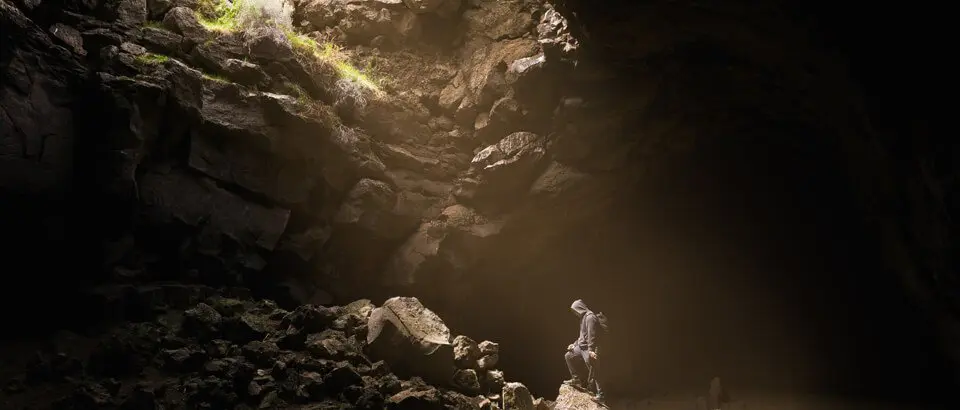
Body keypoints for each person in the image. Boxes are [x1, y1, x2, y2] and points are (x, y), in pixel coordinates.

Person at [563, 299, 607, 401]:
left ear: (580, 307)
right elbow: (582, 336)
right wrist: (574, 345)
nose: (575, 312)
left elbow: (592, 336)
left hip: (588, 348)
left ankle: (601, 395)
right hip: (582, 347)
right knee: (568, 356)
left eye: (575, 310)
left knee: (594, 369)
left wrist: (591, 350)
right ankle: (576, 380)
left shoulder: (590, 317)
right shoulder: (583, 318)